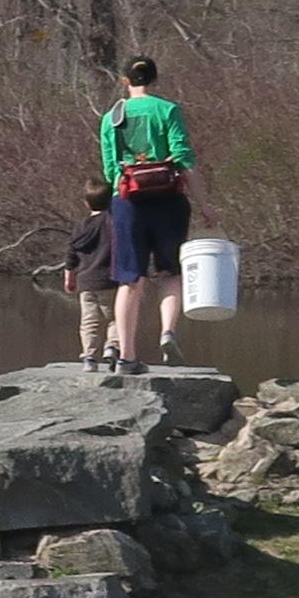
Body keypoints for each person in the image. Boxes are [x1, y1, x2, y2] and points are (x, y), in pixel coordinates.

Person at [96, 55, 199, 368]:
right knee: (170, 273)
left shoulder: (112, 116)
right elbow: (183, 159)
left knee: (129, 280)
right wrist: (205, 205)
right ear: (155, 80)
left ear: (125, 81)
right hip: (169, 200)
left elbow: (110, 166)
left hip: (128, 202)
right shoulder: (167, 110)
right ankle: (167, 331)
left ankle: (127, 355)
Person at [59, 180, 121, 364]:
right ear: (111, 201)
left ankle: (89, 355)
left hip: (85, 283)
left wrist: (70, 279)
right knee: (115, 318)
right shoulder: (113, 221)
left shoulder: (81, 226)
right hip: (109, 281)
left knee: (89, 321)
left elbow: (71, 255)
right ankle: (112, 346)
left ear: (86, 203)